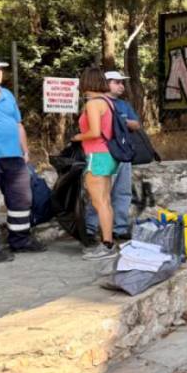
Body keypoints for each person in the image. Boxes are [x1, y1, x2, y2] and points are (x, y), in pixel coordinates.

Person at [0, 58, 43, 261]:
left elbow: (18, 124)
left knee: (21, 198)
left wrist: (25, 151)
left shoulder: (7, 94)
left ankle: (20, 241)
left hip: (14, 156)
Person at [84, 70, 140, 242]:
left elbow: (136, 124)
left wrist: (122, 121)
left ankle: (119, 228)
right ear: (105, 83)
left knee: (122, 191)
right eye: (117, 82)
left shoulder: (123, 105)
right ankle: (90, 228)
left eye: (122, 82)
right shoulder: (95, 103)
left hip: (122, 152)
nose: (121, 86)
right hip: (105, 153)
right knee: (101, 194)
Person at [72, 68, 121, 261]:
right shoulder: (108, 102)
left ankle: (107, 245)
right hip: (108, 155)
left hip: (96, 155)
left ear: (86, 82)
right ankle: (108, 243)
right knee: (105, 201)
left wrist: (76, 137)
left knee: (99, 202)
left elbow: (94, 132)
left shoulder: (93, 104)